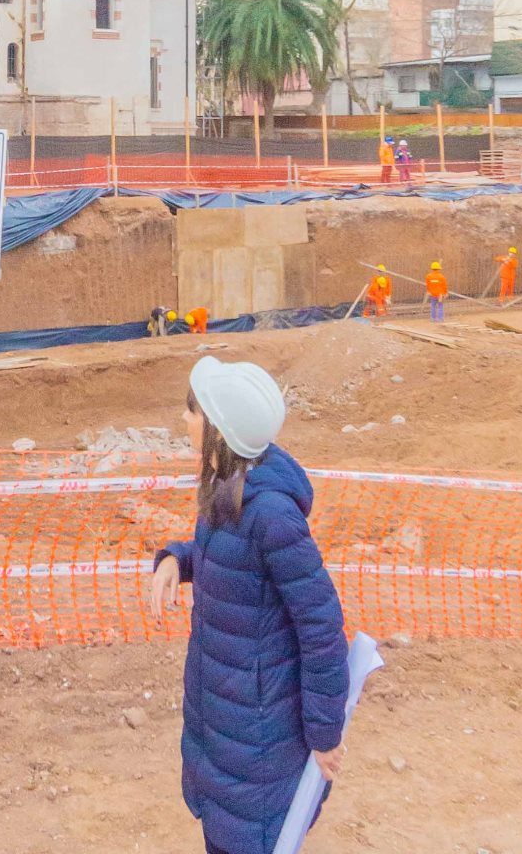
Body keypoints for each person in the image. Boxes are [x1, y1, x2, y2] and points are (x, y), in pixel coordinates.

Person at [149, 358, 350, 854]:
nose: (184, 420)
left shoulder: (273, 515)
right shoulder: (229, 488)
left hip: (258, 738)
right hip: (226, 721)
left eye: (192, 412)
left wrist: (324, 733)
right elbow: (236, 562)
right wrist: (180, 559)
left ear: (218, 430)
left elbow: (322, 627)